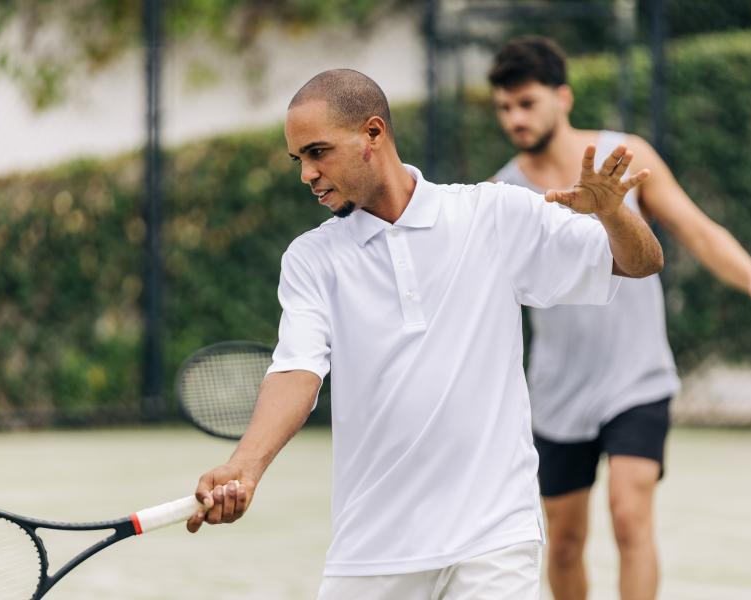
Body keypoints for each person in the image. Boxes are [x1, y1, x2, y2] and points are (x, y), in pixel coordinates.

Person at [186, 68, 664, 599]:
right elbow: (297, 370)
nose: (307, 174)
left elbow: (639, 262)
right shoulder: (311, 259)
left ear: (373, 133)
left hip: (494, 536)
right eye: (299, 159)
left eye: (319, 152)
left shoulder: (492, 212)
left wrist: (615, 215)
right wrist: (244, 468)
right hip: (371, 549)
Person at [487, 36, 751, 600]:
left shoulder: (624, 155)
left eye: (527, 103)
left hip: (637, 375)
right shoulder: (501, 195)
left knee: (630, 515)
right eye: (504, 107)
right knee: (562, 539)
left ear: (563, 97)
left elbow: (698, 230)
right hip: (556, 390)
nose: (515, 118)